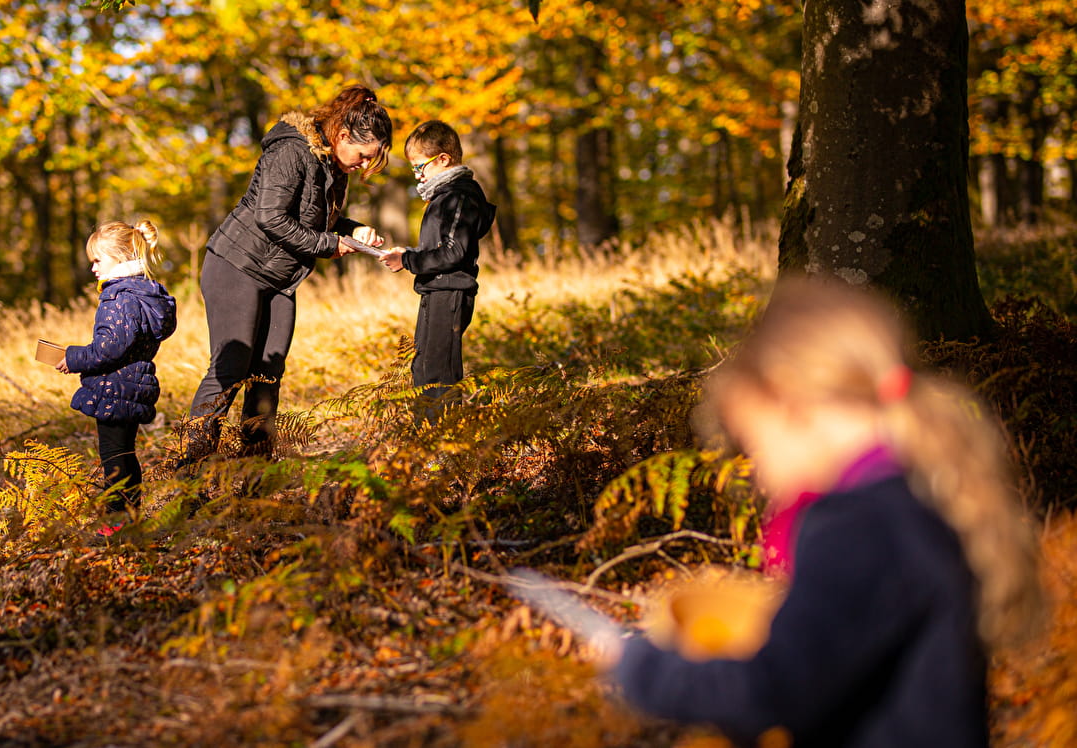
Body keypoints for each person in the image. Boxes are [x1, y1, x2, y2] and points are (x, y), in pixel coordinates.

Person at [522, 276, 1044, 748]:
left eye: (755, 444)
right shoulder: (915, 499)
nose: (760, 472)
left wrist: (640, 667)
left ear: (792, 406)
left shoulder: (857, 527)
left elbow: (773, 690)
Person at [179, 84, 393, 466]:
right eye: (363, 156)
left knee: (268, 374)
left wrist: (352, 229)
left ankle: (253, 475)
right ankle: (188, 469)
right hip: (237, 265)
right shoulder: (292, 150)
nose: (363, 165)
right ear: (343, 136)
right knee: (230, 369)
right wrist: (329, 244)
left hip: (279, 278)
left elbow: (312, 215)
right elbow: (271, 216)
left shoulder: (333, 165)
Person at [55, 221, 177, 532]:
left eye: (98, 260)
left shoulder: (119, 297)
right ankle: (130, 518)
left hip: (115, 387)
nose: (93, 268)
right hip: (134, 384)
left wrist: (72, 358)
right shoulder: (146, 293)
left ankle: (116, 524)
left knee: (114, 460)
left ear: (121, 258)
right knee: (125, 454)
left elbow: (109, 348)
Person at [380, 121, 495, 409]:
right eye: (413, 169)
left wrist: (408, 260)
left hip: (451, 292)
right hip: (435, 290)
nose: (417, 175)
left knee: (439, 374)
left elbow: (454, 252)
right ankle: (428, 440)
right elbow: (440, 249)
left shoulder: (460, 196)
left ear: (443, 159)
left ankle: (445, 446)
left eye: (420, 167)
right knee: (422, 369)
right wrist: (408, 253)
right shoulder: (444, 196)